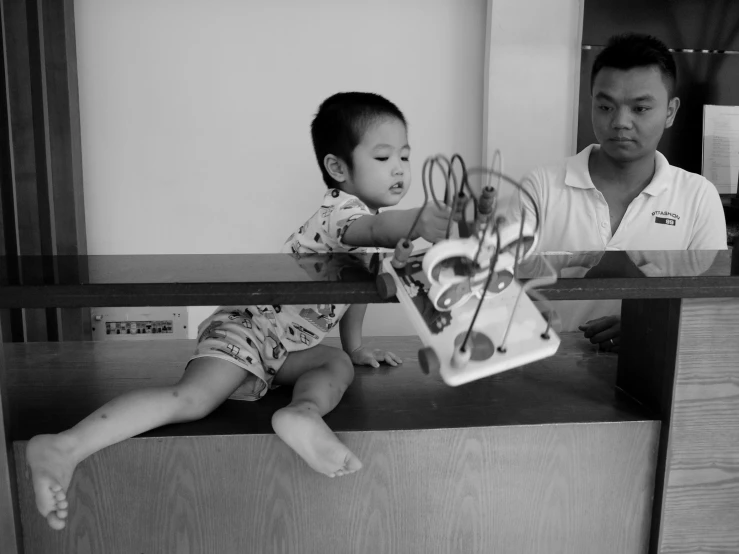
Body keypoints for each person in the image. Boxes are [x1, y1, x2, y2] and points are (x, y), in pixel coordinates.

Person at [26, 92, 452, 530]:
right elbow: (380, 228)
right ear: (338, 168)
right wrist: (420, 220)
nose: (400, 167)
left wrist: (357, 347)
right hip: (247, 328)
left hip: (285, 347)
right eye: (384, 156)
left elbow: (355, 295)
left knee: (336, 362)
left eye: (405, 155)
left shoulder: (370, 237)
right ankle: (65, 446)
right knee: (193, 400)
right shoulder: (341, 213)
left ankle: (301, 413)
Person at [510, 33, 727, 351]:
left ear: (670, 111)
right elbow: (499, 288)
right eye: (606, 106)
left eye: (640, 108)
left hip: (654, 376)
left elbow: (710, 309)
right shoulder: (541, 188)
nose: (620, 122)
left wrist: (649, 326)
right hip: (545, 371)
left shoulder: (698, 197)